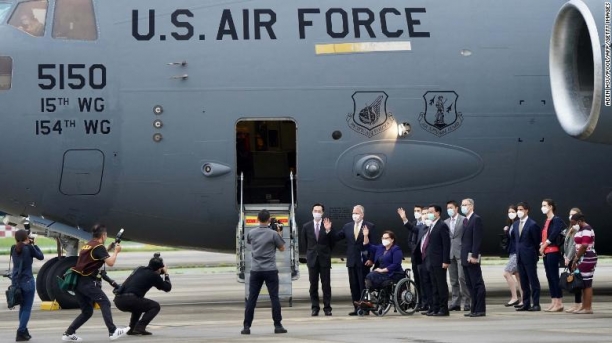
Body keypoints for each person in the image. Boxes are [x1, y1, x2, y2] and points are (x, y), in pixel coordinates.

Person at [62, 224, 128, 342]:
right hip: (87, 282)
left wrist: (108, 249)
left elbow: (94, 258)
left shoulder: (88, 245)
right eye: (106, 235)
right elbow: (110, 263)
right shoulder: (98, 247)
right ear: (103, 235)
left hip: (78, 282)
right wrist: (116, 252)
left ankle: (69, 333)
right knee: (105, 303)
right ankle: (112, 331)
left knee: (87, 311)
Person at [242, 209, 287, 335]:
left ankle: (246, 326)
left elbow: (250, 243)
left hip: (256, 269)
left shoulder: (251, 233)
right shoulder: (273, 234)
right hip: (270, 269)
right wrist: (279, 233)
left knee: (252, 298)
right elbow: (282, 248)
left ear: (257, 219)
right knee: (274, 298)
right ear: (268, 220)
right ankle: (277, 325)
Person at [113, 254, 172, 335]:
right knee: (155, 306)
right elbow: (167, 288)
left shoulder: (139, 269)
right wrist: (166, 274)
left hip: (118, 299)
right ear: (159, 269)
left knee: (139, 306)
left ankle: (132, 329)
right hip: (130, 300)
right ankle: (140, 327)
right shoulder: (154, 275)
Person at [334, 205, 377, 316]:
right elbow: (337, 237)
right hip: (352, 261)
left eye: (357, 213)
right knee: (353, 285)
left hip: (364, 261)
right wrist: (328, 230)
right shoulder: (347, 227)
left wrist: (372, 259)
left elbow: (373, 245)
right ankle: (356, 308)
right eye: (353, 213)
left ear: (362, 214)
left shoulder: (370, 226)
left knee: (363, 285)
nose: (355, 215)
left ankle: (365, 308)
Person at [11, 229, 44, 342]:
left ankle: (23, 331)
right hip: (27, 282)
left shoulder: (13, 248)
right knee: (26, 308)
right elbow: (41, 256)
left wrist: (27, 243)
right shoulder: (29, 248)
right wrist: (34, 245)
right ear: (27, 238)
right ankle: (20, 332)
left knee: (22, 307)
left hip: (16, 282)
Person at [301, 203, 334, 316]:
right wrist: (309, 255)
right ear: (312, 212)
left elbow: (332, 242)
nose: (317, 213)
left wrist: (328, 230)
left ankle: (327, 307)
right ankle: (315, 307)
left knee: (326, 285)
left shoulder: (327, 225)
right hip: (312, 260)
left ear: (323, 213)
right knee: (313, 285)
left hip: (324, 259)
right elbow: (305, 243)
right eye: (315, 210)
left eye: (319, 211)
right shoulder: (306, 226)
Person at [421, 205, 451, 317]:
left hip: (439, 261)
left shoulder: (442, 225)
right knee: (434, 285)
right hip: (431, 261)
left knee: (441, 285)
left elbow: (446, 245)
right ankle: (436, 307)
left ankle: (444, 308)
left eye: (431, 212)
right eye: (428, 212)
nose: (429, 214)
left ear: (438, 213)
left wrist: (446, 260)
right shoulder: (432, 226)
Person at [397, 206, 428, 311]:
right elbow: (411, 236)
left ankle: (427, 302)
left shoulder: (429, 226)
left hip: (426, 258)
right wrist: (404, 219)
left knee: (426, 281)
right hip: (416, 256)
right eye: (416, 211)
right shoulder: (417, 225)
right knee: (418, 280)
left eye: (421, 212)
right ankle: (420, 302)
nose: (419, 214)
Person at [460, 199, 487, 317]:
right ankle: (473, 308)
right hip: (465, 257)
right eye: (462, 205)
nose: (463, 207)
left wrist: (474, 255)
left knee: (477, 283)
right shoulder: (466, 220)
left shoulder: (476, 219)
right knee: (470, 284)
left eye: (465, 205)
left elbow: (477, 239)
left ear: (471, 206)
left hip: (471, 257)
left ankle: (480, 309)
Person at [514, 202, 542, 312]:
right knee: (523, 281)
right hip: (519, 256)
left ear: (526, 210)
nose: (518, 211)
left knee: (533, 280)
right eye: (518, 209)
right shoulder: (516, 224)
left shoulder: (532, 224)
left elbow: (536, 241)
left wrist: (533, 254)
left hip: (529, 256)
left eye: (521, 209)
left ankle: (536, 303)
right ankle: (525, 303)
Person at [539, 199, 565, 312]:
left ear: (550, 207)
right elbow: (544, 235)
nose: (542, 207)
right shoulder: (547, 221)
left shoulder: (556, 220)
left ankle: (559, 302)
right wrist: (542, 245)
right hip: (546, 252)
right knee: (549, 276)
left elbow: (554, 234)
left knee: (554, 276)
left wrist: (544, 245)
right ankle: (553, 301)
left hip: (553, 251)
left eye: (544, 205)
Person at [444, 200, 470, 312]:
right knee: (453, 280)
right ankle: (455, 302)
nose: (449, 210)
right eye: (448, 208)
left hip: (461, 253)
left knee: (462, 278)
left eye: (451, 207)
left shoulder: (464, 220)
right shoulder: (445, 222)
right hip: (450, 254)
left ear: (456, 208)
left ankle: (467, 301)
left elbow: (467, 236)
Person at [570, 213, 597, 314]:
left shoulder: (587, 229)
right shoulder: (581, 229)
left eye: (574, 223)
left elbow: (585, 245)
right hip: (582, 258)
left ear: (580, 221)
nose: (573, 225)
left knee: (587, 283)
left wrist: (576, 258)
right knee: (583, 283)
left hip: (587, 258)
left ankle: (588, 308)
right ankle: (584, 306)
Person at [502, 205, 522, 307]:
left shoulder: (519, 224)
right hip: (512, 252)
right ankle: (523, 299)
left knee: (507, 273)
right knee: (518, 276)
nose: (511, 213)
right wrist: (506, 231)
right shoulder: (512, 225)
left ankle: (514, 297)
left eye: (513, 211)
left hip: (516, 253)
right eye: (509, 212)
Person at [563, 208, 582, 313]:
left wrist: (569, 257)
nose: (571, 217)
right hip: (569, 258)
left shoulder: (578, 228)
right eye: (570, 214)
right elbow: (567, 243)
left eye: (573, 215)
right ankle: (576, 304)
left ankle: (579, 304)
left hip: (575, 259)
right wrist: (565, 255)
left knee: (577, 282)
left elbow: (575, 245)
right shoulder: (571, 227)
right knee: (574, 282)